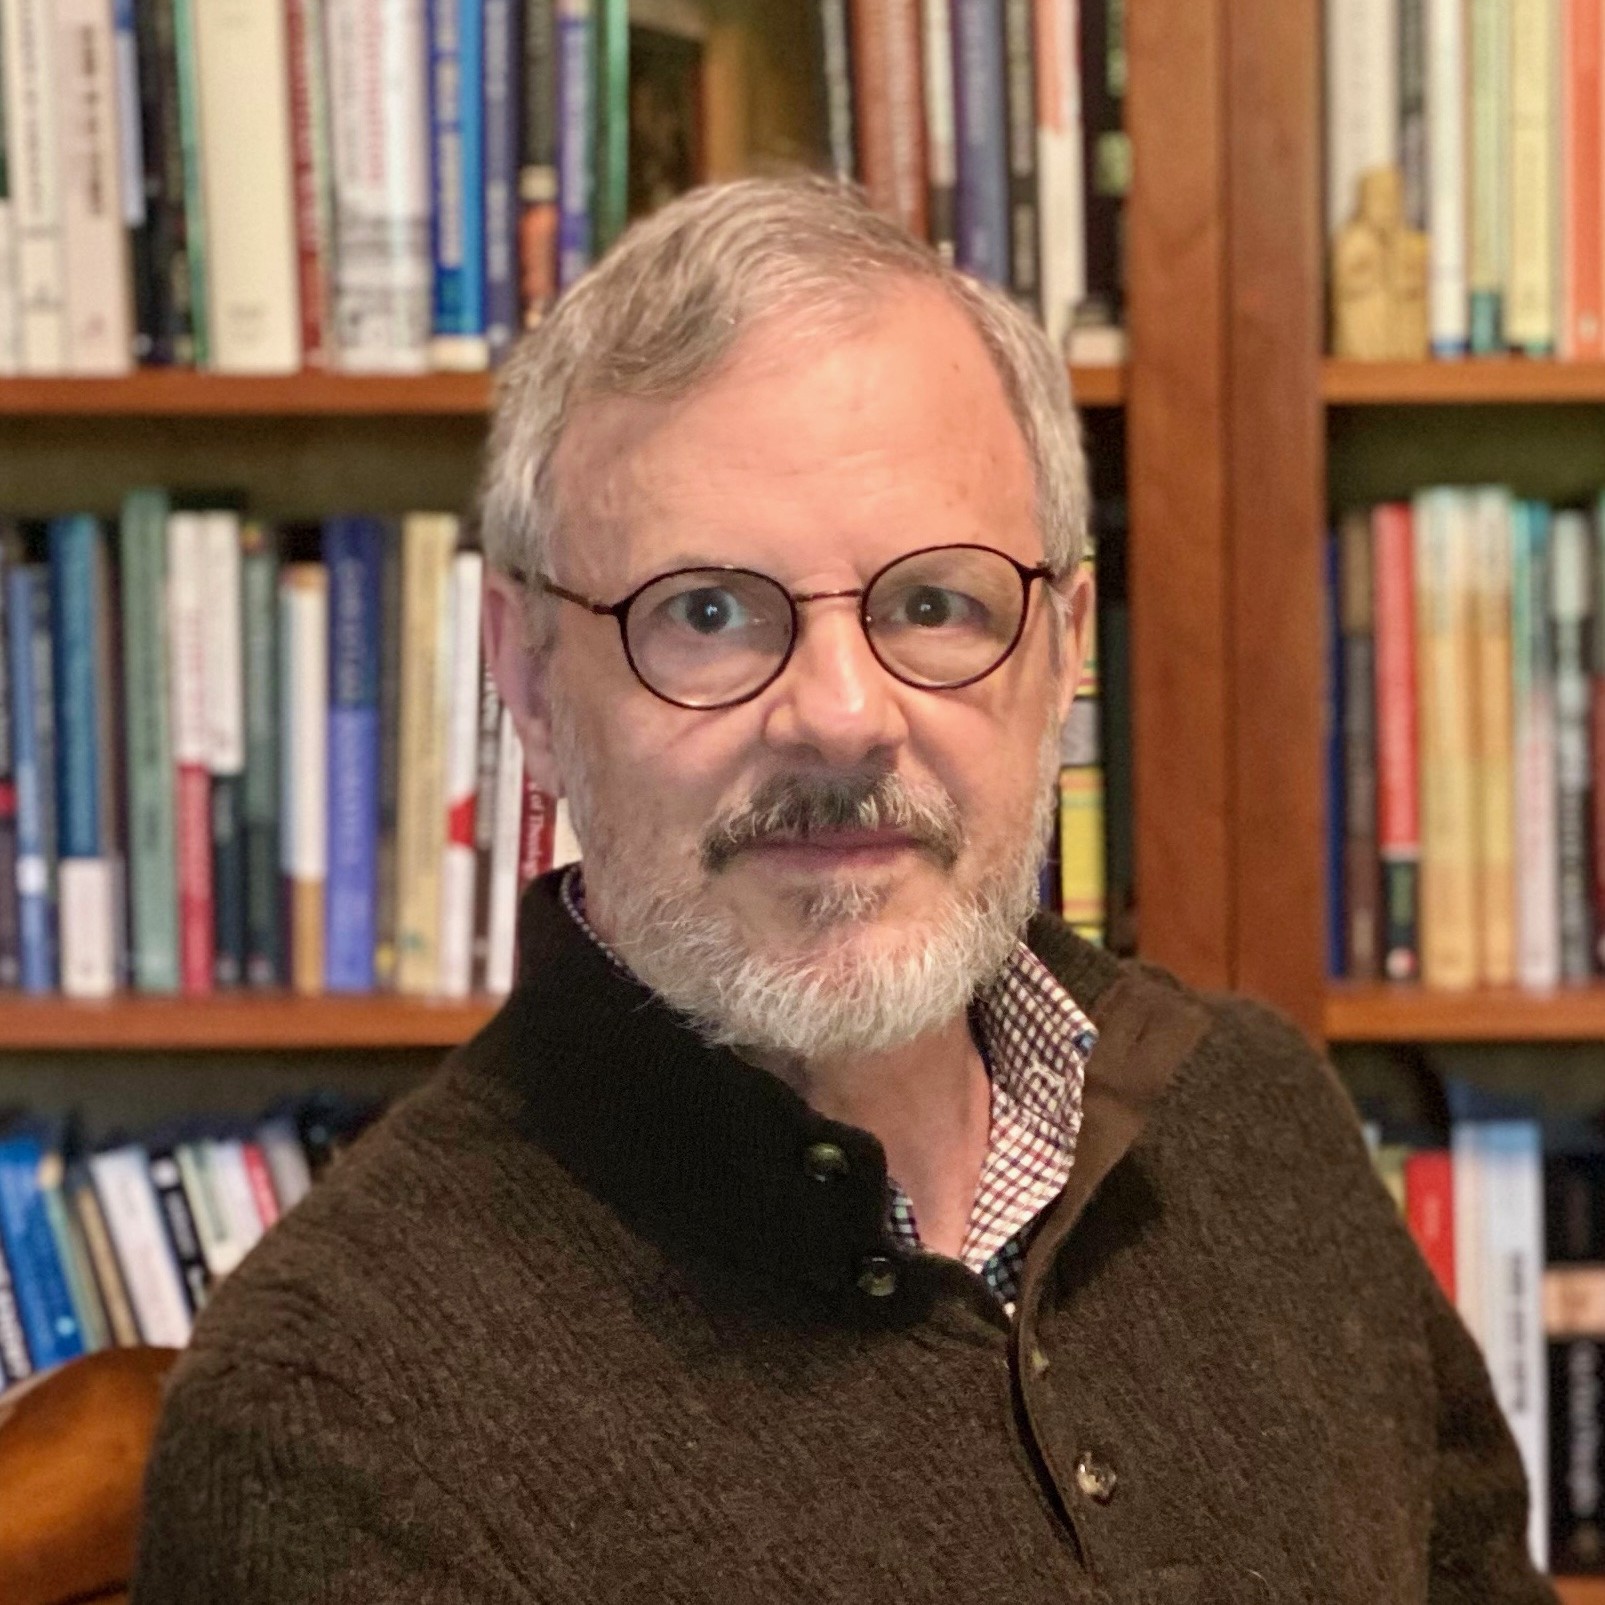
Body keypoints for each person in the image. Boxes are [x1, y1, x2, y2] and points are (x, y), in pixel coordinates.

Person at [132, 176, 1553, 1604]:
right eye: (706, 611)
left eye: (933, 604)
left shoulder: (1250, 1113)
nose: (840, 717)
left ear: (1062, 652)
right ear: (529, 680)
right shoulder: (333, 1418)